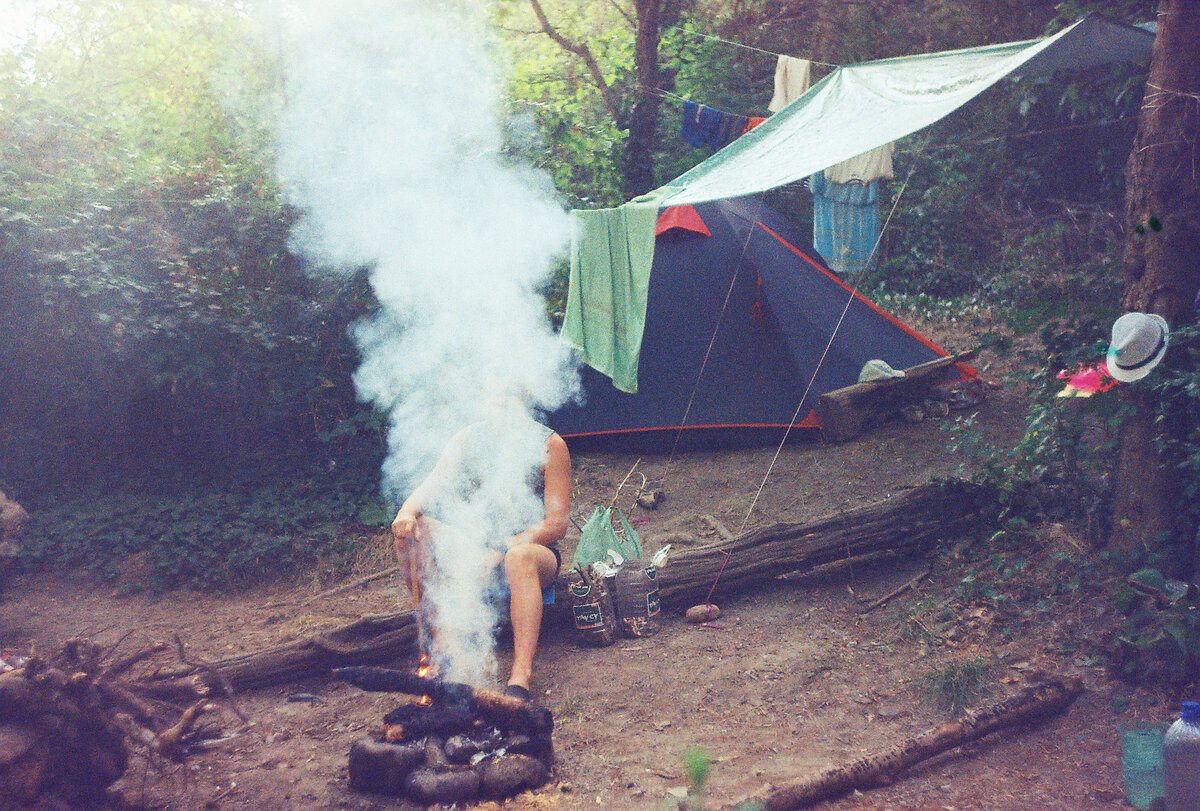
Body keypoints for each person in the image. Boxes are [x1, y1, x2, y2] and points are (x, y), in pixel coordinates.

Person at [391, 415, 570, 702]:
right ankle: (440, 649)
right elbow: (432, 484)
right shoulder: (467, 439)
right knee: (416, 530)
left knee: (518, 557)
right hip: (476, 548)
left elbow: (556, 524)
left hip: (532, 552)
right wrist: (406, 512)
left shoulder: (549, 444)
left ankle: (520, 676)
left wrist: (499, 549)